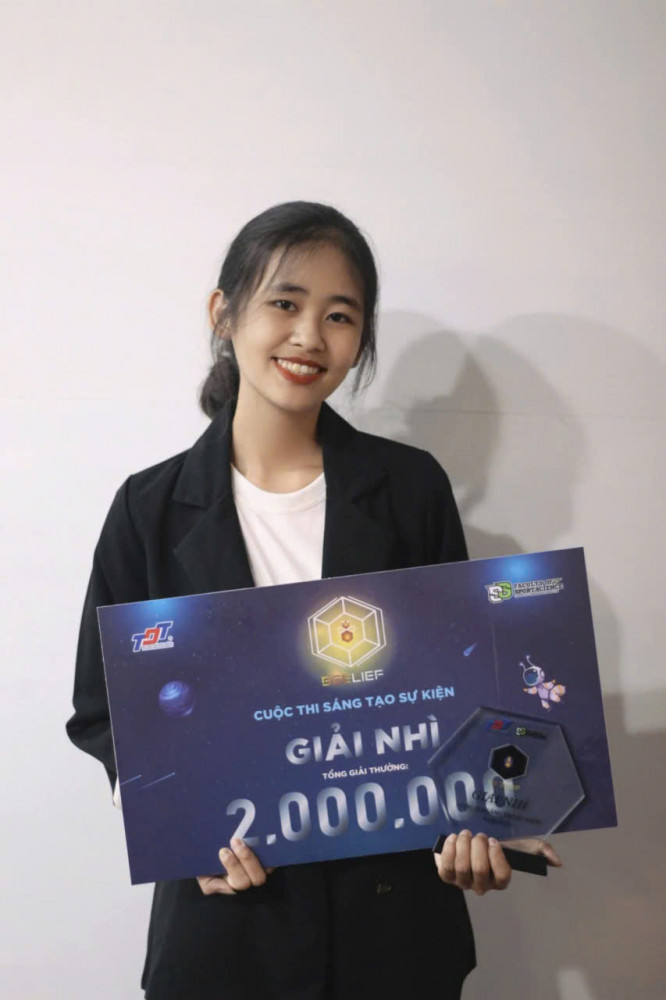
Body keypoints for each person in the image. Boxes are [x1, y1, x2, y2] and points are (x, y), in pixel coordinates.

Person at [66, 200, 561, 1000]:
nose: (309, 337)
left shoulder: (409, 490)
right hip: (228, 931)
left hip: (392, 929)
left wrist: (490, 821)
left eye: (339, 315)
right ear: (224, 314)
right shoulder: (148, 509)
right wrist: (181, 828)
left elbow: (467, 691)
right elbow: (103, 713)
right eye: (285, 303)